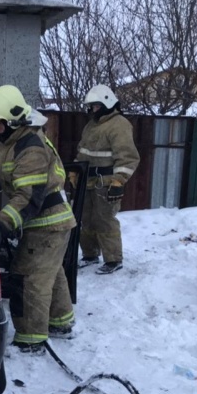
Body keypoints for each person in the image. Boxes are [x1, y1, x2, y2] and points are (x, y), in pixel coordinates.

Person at [0, 85, 76, 353]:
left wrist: (0, 224)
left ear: (13, 120)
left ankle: (31, 338)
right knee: (50, 271)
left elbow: (27, 197)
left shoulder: (31, 148)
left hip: (48, 224)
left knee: (28, 277)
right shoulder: (10, 141)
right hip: (51, 223)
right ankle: (60, 322)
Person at [76, 84, 140, 274]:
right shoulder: (91, 125)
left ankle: (113, 259)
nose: (92, 110)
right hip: (88, 181)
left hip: (106, 182)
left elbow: (128, 157)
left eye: (95, 106)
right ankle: (90, 254)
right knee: (86, 220)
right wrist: (75, 171)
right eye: (91, 107)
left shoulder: (119, 124)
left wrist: (119, 181)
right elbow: (82, 151)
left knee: (105, 220)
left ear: (106, 103)